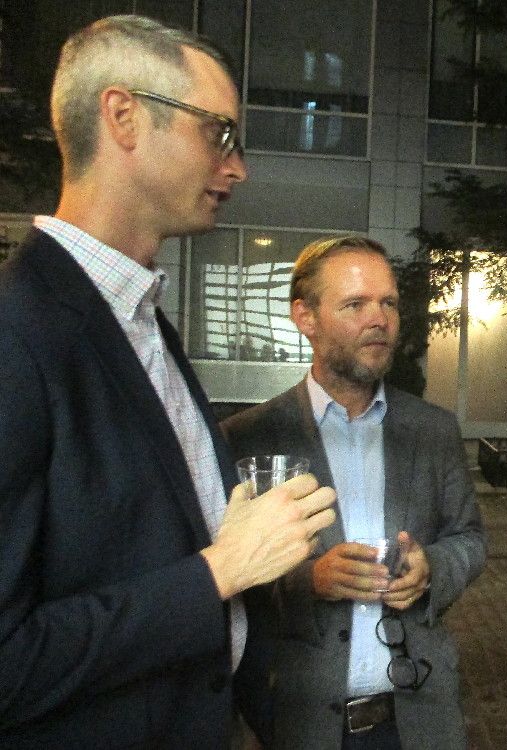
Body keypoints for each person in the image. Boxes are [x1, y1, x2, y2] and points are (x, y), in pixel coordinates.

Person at [0, 15, 336, 749]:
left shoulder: (141, 320)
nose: (237, 168)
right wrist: (220, 570)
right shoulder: (17, 334)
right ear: (122, 117)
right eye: (219, 133)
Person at [222, 236, 487, 749]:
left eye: (389, 303)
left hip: (419, 722)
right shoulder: (249, 439)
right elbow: (225, 576)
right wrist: (309, 581)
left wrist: (432, 568)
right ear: (305, 317)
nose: (379, 319)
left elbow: (470, 538)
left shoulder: (433, 430)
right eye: (355, 305)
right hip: (300, 722)